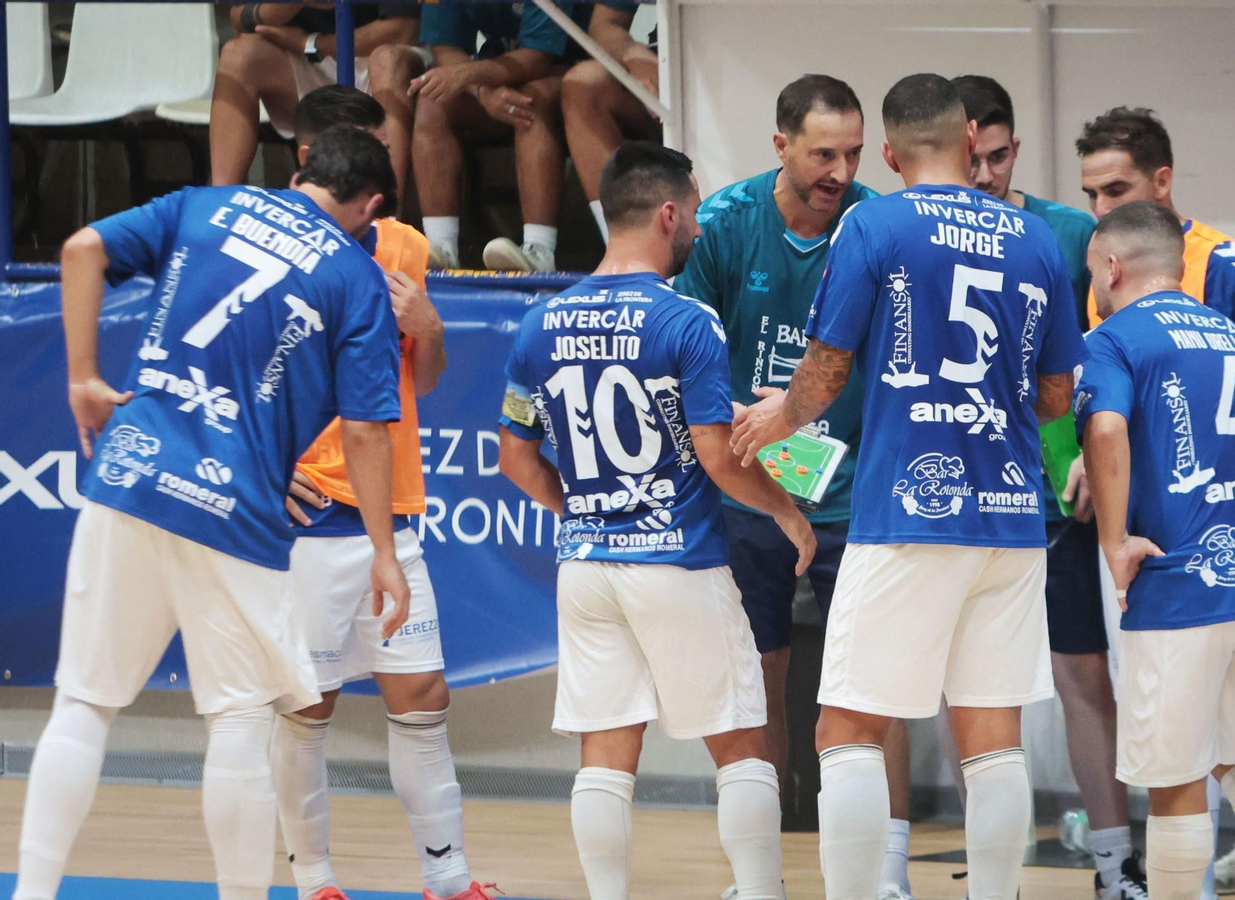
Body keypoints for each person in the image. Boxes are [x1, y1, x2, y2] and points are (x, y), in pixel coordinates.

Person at [12, 127, 406, 900]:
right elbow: (364, 427)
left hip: (130, 473)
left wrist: (83, 377)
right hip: (235, 510)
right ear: (372, 207)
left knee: (85, 704)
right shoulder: (356, 276)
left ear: (300, 170)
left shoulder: (203, 205)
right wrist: (385, 553)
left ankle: (30, 894)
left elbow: (81, 248)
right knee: (239, 720)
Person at [732, 72, 1087, 900]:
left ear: (887, 154)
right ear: (971, 141)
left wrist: (779, 418)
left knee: (848, 729)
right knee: (993, 739)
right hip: (1010, 517)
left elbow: (826, 368)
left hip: (906, 513)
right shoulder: (1035, 237)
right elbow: (1059, 394)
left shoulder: (875, 222)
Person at [498, 142, 814, 900]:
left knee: (605, 752)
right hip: (678, 561)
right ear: (669, 214)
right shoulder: (687, 319)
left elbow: (515, 461)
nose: (700, 231)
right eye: (696, 214)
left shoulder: (541, 319)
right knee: (741, 741)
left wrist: (585, 513)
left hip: (587, 567)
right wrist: (787, 510)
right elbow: (716, 455)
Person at [261, 88, 492, 900]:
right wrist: (263, 460)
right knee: (306, 707)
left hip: (391, 510)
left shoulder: (401, 244)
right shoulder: (267, 245)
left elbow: (417, 379)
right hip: (310, 518)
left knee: (423, 693)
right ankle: (314, 879)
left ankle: (450, 876)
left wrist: (428, 324)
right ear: (308, 159)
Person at [670, 73, 891, 896]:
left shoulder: (873, 223)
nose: (840, 170)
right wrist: (748, 419)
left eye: (854, 153)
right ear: (780, 146)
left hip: (858, 491)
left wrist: (802, 415)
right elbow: (687, 356)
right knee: (755, 682)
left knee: (870, 694)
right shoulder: (725, 223)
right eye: (823, 153)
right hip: (749, 492)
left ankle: (885, 874)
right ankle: (759, 878)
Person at [1076, 198, 1235, 900]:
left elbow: (1103, 431)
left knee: (1175, 776)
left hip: (1186, 580)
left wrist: (1114, 540)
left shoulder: (1116, 337)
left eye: (1094, 269)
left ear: (1113, 265)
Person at [954, 73, 1146, 900]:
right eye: (973, 160)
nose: (987, 175)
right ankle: (989, 863)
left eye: (999, 157)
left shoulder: (1070, 233)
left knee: (1087, 679)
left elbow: (1115, 343)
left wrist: (1095, 448)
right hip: (959, 494)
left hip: (1057, 497)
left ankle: (1116, 865)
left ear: (1014, 150)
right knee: (968, 688)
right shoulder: (919, 234)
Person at [1077, 107, 1235, 338]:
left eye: (1116, 190)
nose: (1100, 208)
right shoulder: (1098, 263)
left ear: (1162, 182)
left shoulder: (1222, 260)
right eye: (1092, 195)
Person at [406, 2, 582, 269]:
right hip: (494, 74)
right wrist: (482, 91)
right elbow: (444, 47)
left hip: (564, 70)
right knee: (433, 100)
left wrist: (470, 76)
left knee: (530, 98)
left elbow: (538, 56)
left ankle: (540, 250)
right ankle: (441, 248)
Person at [481, 1, 648, 272]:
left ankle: (630, 253)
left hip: (700, 66)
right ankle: (539, 249)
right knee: (556, 91)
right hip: (656, 64)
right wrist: (633, 54)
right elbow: (606, 24)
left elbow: (538, 56)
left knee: (579, 85)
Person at [210, 2, 419, 187]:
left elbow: (403, 29)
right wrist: (291, 5)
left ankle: (385, 219)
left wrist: (314, 44)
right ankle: (220, 205)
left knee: (388, 59)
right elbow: (239, 18)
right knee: (237, 55)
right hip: (302, 55)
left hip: (375, 57)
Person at [561, 3, 661, 244]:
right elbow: (605, 23)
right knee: (582, 86)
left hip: (748, 56)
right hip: (669, 56)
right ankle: (624, 246)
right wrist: (632, 55)